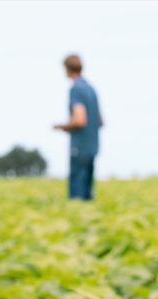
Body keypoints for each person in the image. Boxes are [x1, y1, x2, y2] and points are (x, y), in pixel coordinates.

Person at [53, 54, 103, 200]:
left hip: (79, 145)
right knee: (88, 192)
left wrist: (63, 126)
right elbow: (100, 121)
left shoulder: (76, 89)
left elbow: (79, 119)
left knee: (77, 194)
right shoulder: (91, 89)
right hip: (93, 144)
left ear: (67, 69)